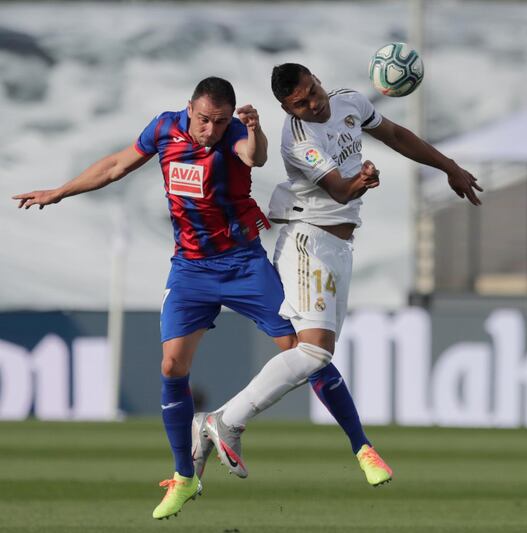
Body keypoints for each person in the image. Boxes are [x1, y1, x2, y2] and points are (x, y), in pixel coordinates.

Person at [11, 76, 389, 519]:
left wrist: (253, 129)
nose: (210, 129)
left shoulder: (235, 135)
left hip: (244, 265)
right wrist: (59, 192)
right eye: (205, 119)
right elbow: (116, 165)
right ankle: (184, 477)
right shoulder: (163, 129)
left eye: (221, 121)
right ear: (189, 108)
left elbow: (255, 155)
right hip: (191, 269)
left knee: (305, 353)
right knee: (172, 365)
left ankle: (362, 447)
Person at [206, 63, 482, 483]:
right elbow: (338, 188)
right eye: (300, 104)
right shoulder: (298, 138)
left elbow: (395, 135)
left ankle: (220, 428)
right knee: (314, 352)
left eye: (313, 92)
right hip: (306, 240)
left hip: (339, 246)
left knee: (316, 355)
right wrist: (362, 179)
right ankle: (227, 420)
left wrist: (448, 166)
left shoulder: (349, 101)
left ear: (317, 79)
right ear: (286, 106)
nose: (313, 105)